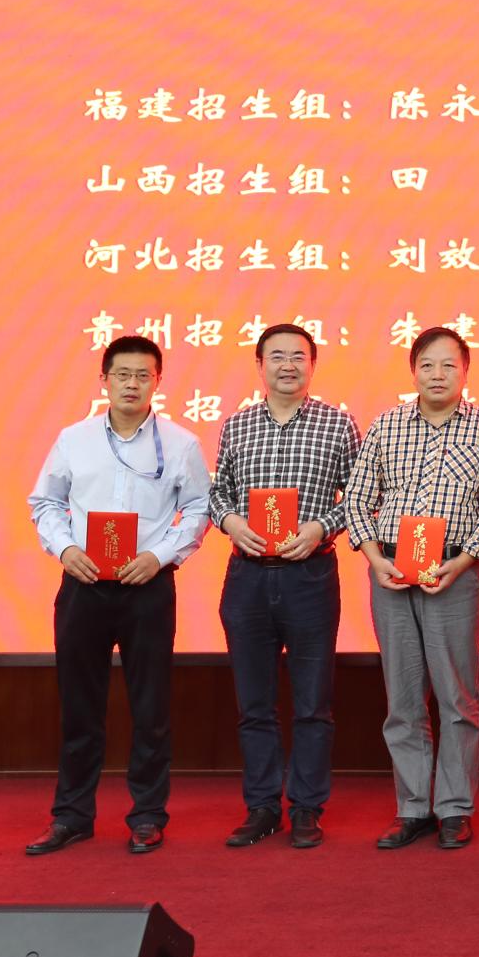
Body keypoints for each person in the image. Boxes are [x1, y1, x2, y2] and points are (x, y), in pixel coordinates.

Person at [25, 335, 211, 856]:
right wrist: (65, 549)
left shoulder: (180, 444)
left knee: (150, 707)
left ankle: (147, 815)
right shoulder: (74, 439)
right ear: (104, 380)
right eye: (123, 374)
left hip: (147, 586)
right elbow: (45, 502)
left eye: (143, 375)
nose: (132, 384)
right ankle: (72, 816)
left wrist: (162, 555)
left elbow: (199, 509)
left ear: (158, 381)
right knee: (79, 706)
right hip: (84, 586)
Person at [342, 327, 479, 851]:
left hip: (455, 570)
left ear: (466, 372)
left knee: (458, 696)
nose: (438, 375)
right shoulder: (386, 425)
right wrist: (375, 559)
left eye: (449, 365)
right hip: (391, 568)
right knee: (403, 697)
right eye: (428, 365)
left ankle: (454, 808)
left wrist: (460, 563)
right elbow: (358, 499)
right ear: (413, 371)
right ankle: (412, 807)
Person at [207, 323, 362, 850]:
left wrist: (322, 526)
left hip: (310, 576)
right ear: (260, 365)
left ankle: (307, 808)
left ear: (312, 365)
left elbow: (361, 494)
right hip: (247, 577)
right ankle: (262, 807)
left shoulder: (338, 425)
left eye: (299, 356)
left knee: (313, 703)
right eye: (277, 356)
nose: (288, 365)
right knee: (254, 703)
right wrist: (231, 522)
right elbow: (218, 493)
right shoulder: (236, 425)